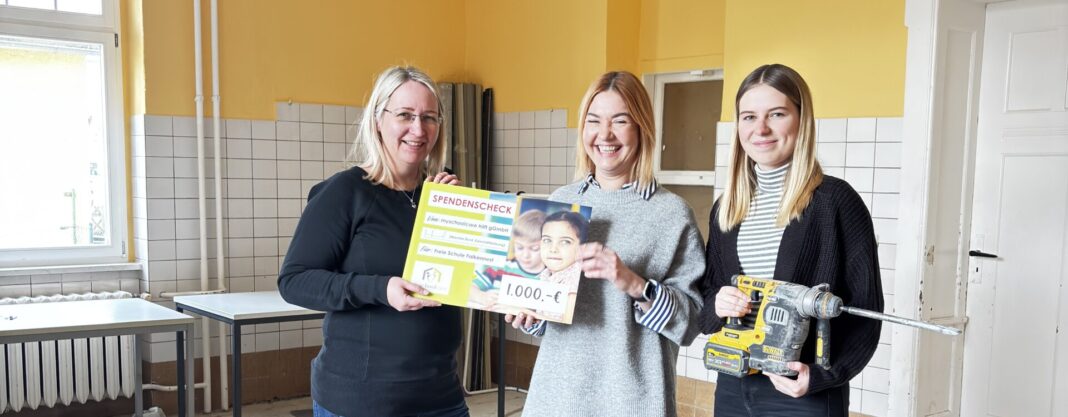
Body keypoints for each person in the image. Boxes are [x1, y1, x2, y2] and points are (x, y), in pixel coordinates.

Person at [507, 71, 706, 417]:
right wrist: (529, 312)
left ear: (642, 127)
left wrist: (634, 284)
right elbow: (553, 313)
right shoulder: (560, 203)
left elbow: (690, 325)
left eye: (620, 121)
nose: (605, 135)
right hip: (556, 399)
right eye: (594, 121)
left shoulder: (672, 214)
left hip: (632, 403)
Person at [277, 66, 468, 417]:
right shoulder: (346, 191)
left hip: (441, 397)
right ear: (378, 119)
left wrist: (456, 218)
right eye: (405, 115)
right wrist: (381, 289)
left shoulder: (441, 197)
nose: (418, 129)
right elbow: (294, 280)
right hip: (362, 402)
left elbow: (467, 283)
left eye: (429, 117)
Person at [697, 63, 884, 416]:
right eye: (748, 117)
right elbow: (707, 296)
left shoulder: (835, 201)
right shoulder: (727, 208)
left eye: (777, 114)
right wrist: (718, 304)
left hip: (801, 394)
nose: (761, 129)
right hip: (734, 386)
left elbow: (866, 310)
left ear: (802, 119)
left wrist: (824, 375)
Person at [469, 209, 546, 309]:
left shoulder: (548, 276)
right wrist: (482, 297)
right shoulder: (499, 268)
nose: (525, 255)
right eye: (519, 247)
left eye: (534, 249)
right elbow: (469, 288)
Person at [536, 210, 587, 292]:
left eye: (565, 242)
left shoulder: (575, 283)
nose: (553, 249)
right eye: (547, 240)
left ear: (582, 247)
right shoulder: (545, 275)